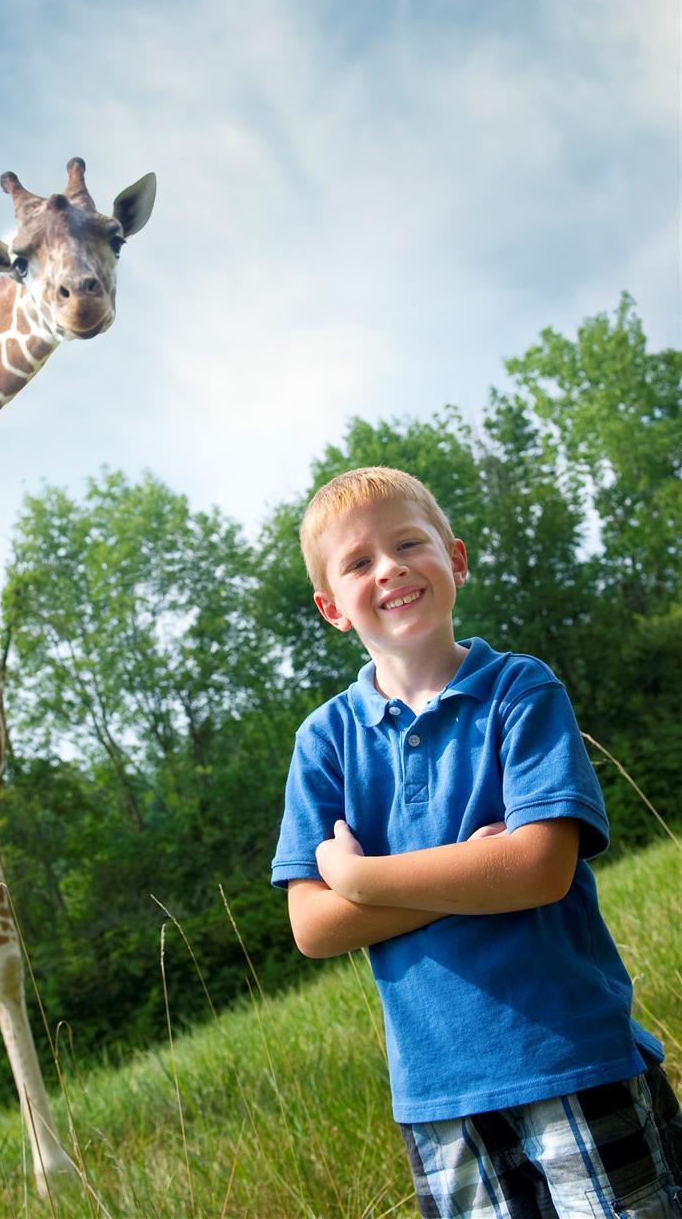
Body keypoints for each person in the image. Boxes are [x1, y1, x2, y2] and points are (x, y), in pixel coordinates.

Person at [271, 466, 682, 1218]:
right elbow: (313, 925)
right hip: (438, 1098)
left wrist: (362, 881)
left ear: (453, 560)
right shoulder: (324, 741)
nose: (388, 568)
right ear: (331, 607)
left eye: (407, 544)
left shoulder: (520, 690)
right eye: (358, 563)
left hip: (573, 1059)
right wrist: (468, 869)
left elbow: (535, 869)